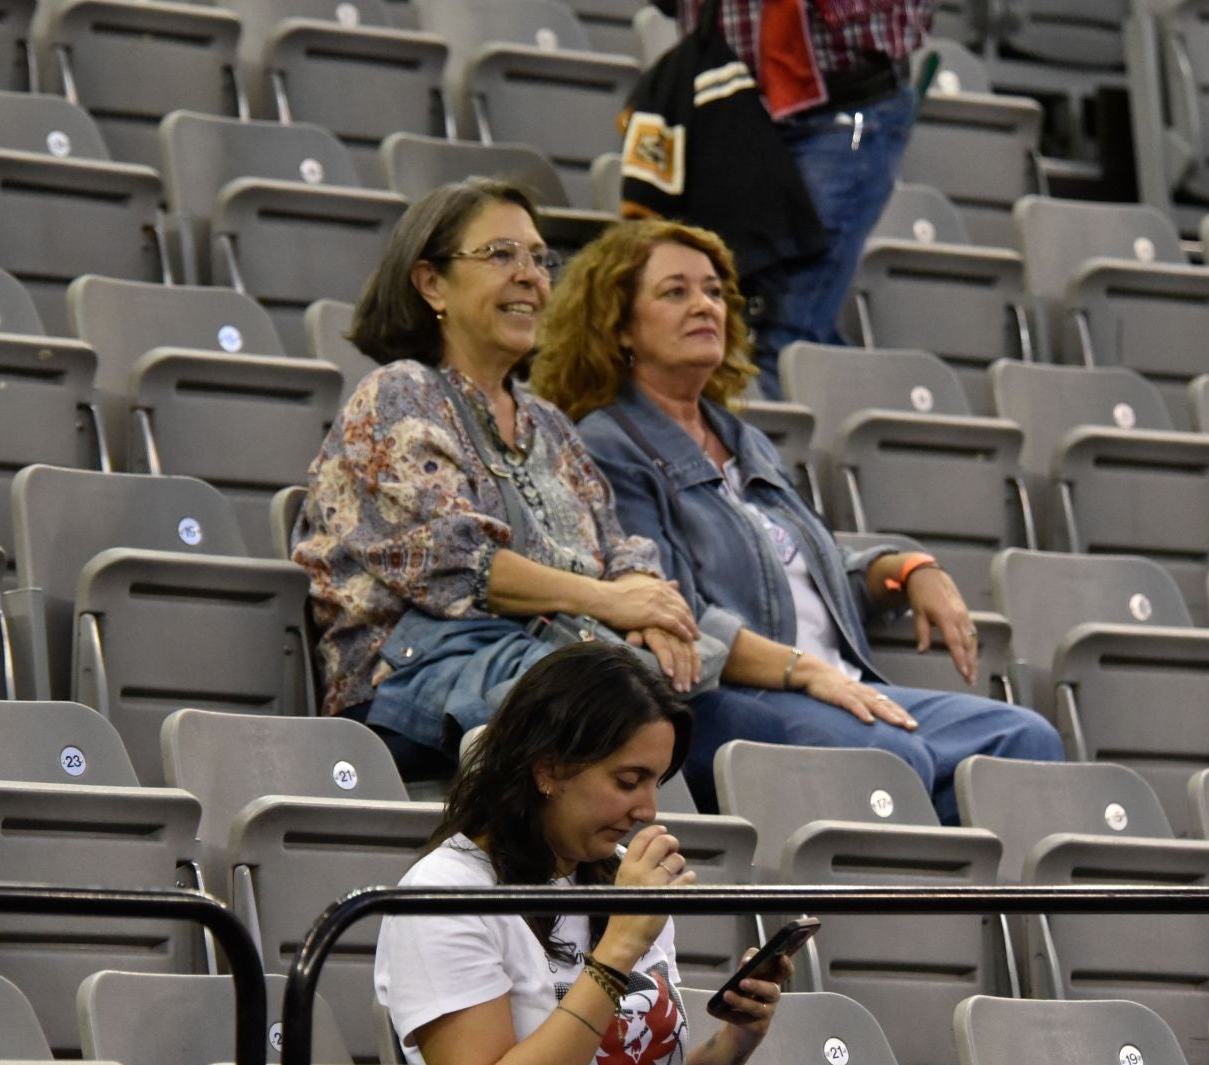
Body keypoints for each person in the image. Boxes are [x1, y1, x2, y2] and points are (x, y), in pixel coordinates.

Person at [531, 219, 1062, 821]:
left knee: (1025, 741)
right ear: (619, 325)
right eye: (675, 292)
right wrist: (803, 671)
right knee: (891, 758)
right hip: (731, 695)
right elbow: (669, 612)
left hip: (834, 684)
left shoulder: (744, 439)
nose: (703, 305)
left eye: (712, 292)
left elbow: (814, 567)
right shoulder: (608, 445)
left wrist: (908, 569)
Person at [374, 643, 914, 1065]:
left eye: (656, 782)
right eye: (628, 780)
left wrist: (735, 1043)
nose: (648, 809)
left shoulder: (616, 876)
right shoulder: (444, 895)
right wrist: (619, 948)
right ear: (548, 768)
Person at [291, 179, 706, 779]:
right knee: (622, 720)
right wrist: (610, 599)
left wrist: (649, 605)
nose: (530, 275)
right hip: (410, 677)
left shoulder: (551, 422)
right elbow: (460, 562)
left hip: (550, 662)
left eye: (539, 259)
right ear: (431, 282)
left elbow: (619, 545)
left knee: (682, 713)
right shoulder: (399, 395)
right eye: (501, 254)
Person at [654, 0, 932, 395]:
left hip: (847, 111)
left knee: (790, 323)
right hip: (729, 109)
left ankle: (775, 449)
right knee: (719, 307)